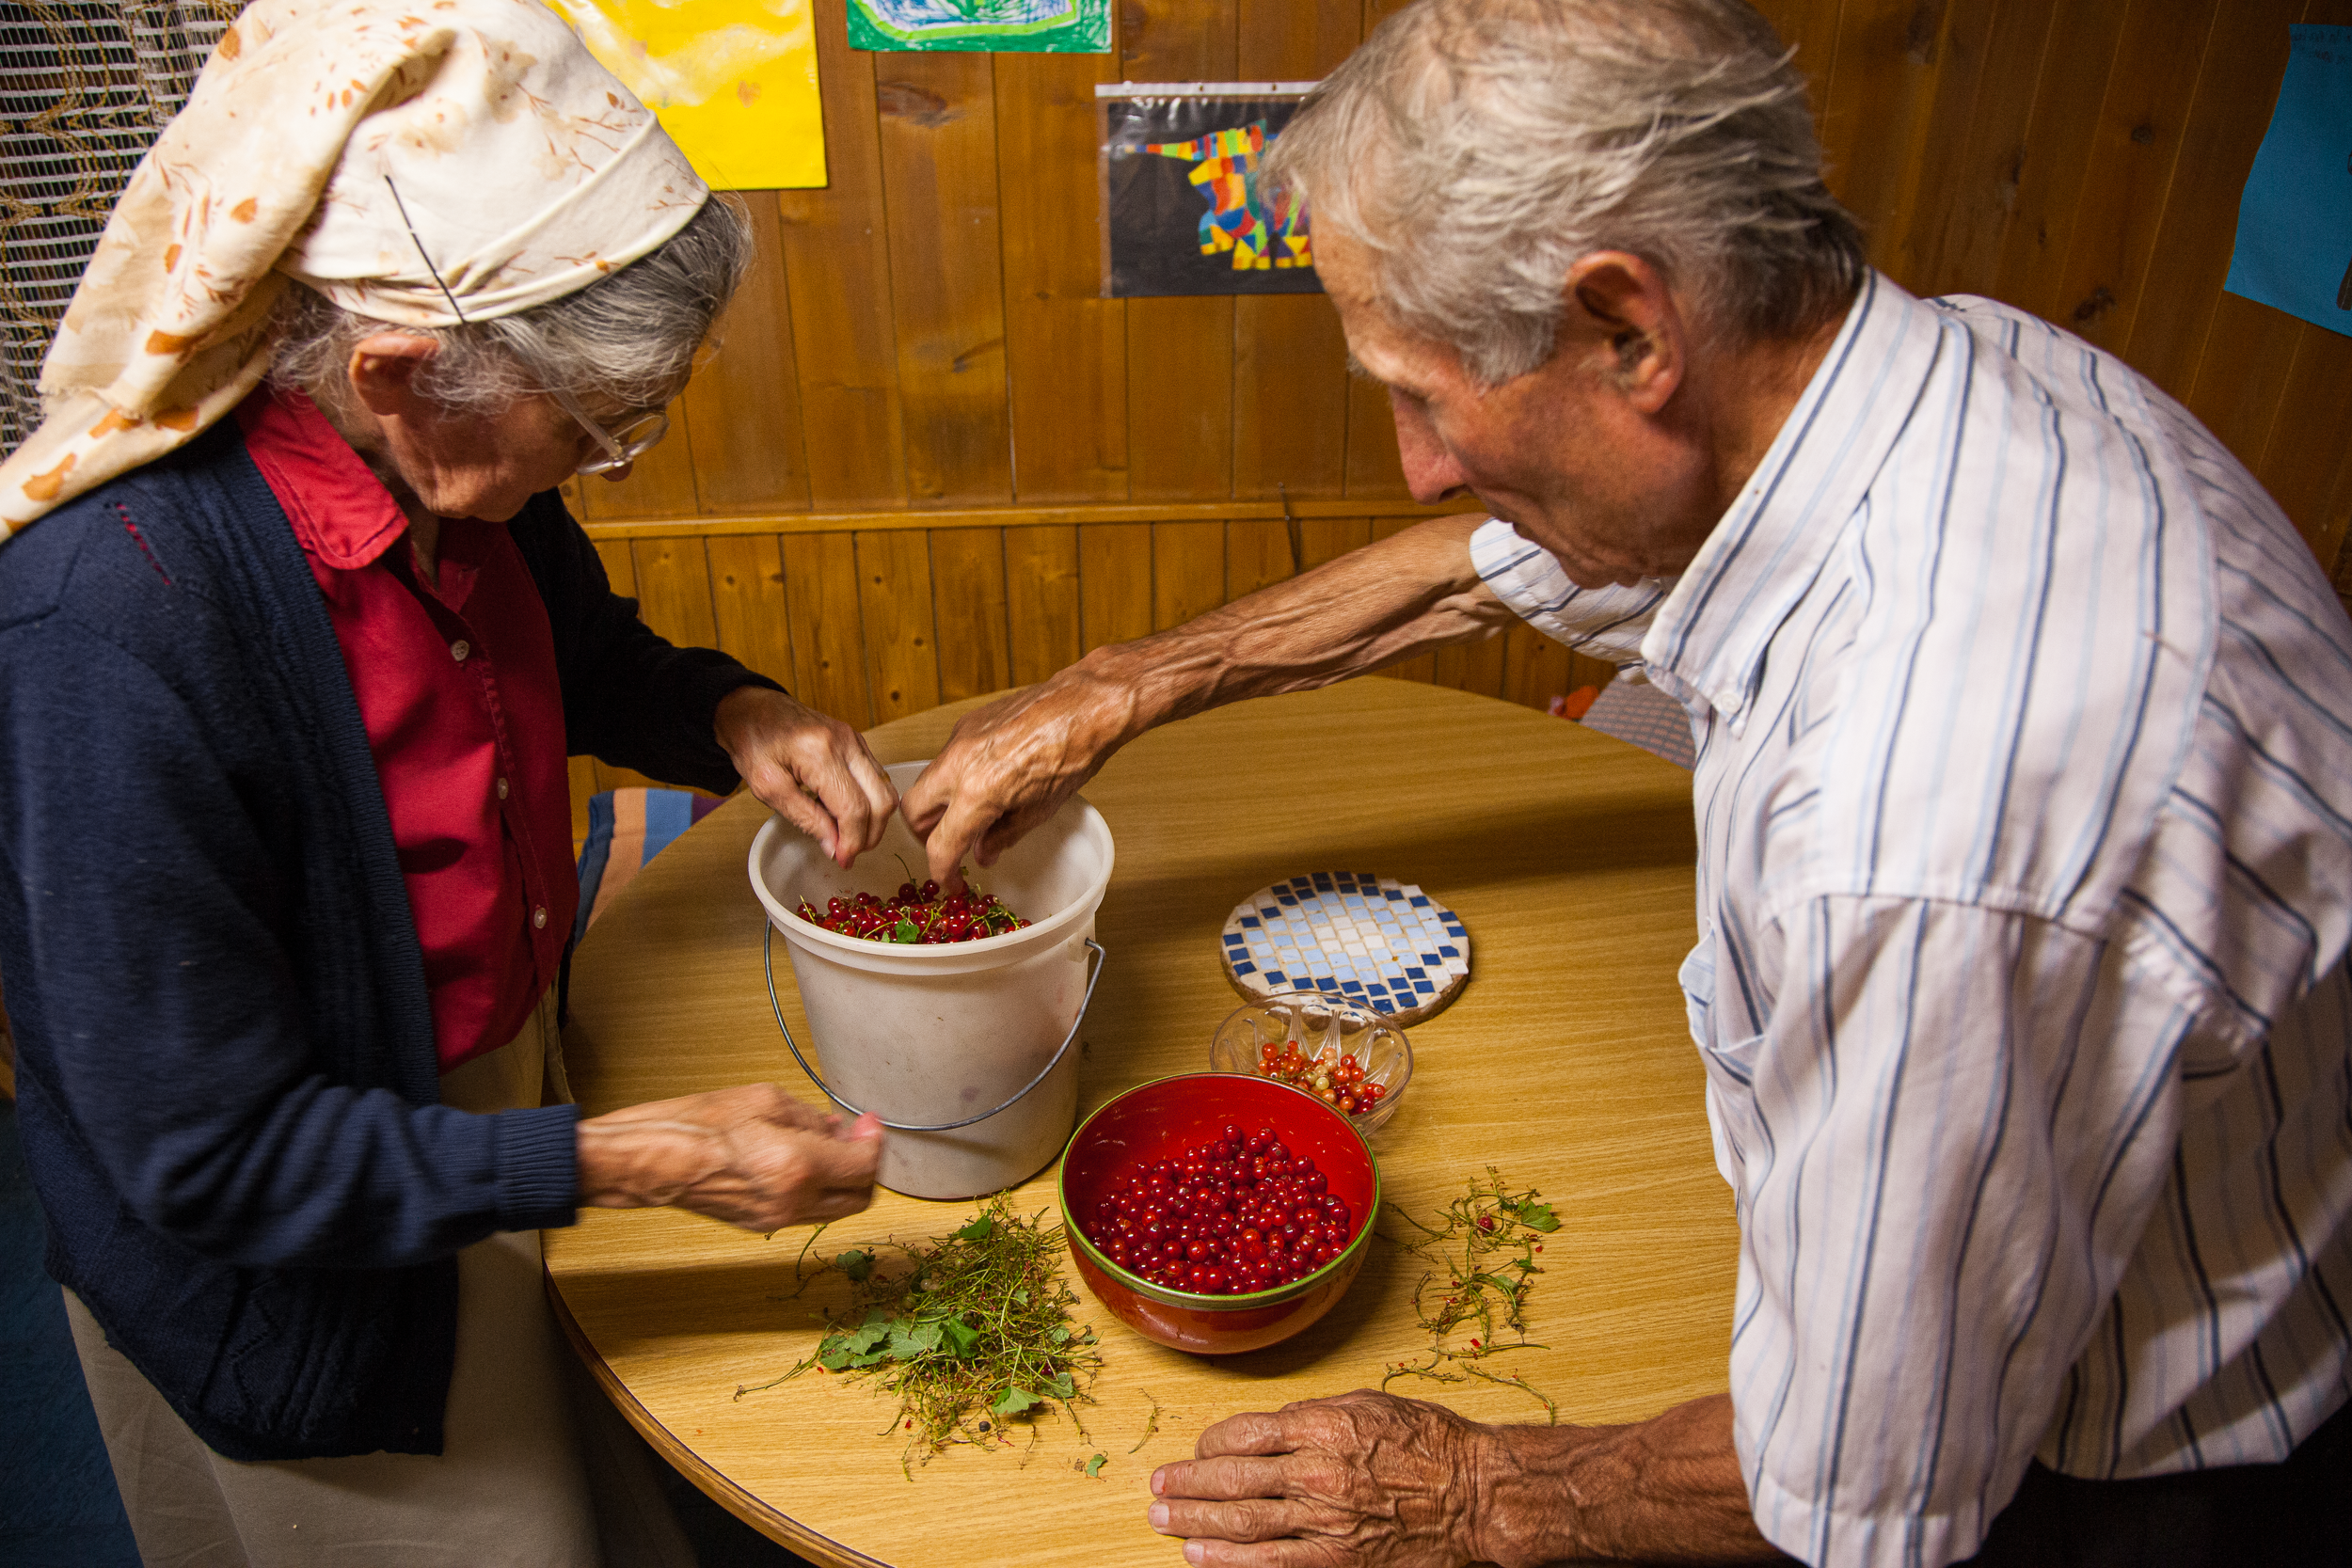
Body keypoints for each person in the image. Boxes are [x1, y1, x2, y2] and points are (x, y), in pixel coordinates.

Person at [899, 2, 2352, 1564]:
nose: (1418, 464)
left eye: (1423, 392)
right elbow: (1491, 566)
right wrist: (1132, 679)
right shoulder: (1919, 381)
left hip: (2131, 1483)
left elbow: (1855, 1481)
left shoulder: (1922, 818)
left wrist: (1471, 1490)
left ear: (1632, 331)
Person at [0, 3, 897, 1562]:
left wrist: (732, 711)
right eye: (599, 426)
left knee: (580, 1458)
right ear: (399, 367)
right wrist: (636, 1156)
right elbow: (215, 1155)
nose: (606, 458)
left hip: (486, 1104)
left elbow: (585, 654)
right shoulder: (111, 621)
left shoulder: (455, 478)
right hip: (301, 1243)